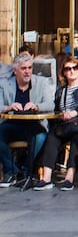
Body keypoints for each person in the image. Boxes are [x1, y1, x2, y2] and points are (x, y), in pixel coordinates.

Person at [33, 58, 78, 191]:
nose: (71, 71)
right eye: (68, 69)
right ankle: (46, 178)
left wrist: (76, 112)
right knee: (52, 135)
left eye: (74, 68)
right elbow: (56, 110)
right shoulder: (61, 91)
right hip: (69, 125)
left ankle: (69, 177)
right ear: (63, 72)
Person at [0, 54, 56, 187]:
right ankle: (12, 171)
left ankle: (25, 172)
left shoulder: (41, 83)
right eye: (23, 68)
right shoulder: (4, 84)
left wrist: (37, 106)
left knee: (41, 137)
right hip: (12, 124)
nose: (27, 71)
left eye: (30, 68)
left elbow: (50, 105)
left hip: (34, 124)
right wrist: (8, 107)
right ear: (15, 71)